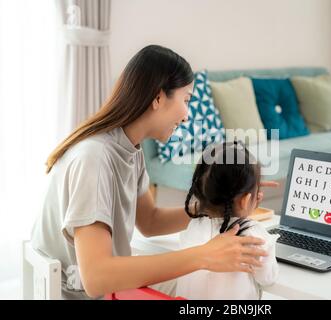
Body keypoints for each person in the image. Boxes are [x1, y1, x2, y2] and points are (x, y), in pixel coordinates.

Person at [30, 45, 277, 299]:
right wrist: (204, 256)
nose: (186, 116)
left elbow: (150, 221)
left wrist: (223, 202)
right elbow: (96, 277)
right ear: (158, 98)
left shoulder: (129, 150)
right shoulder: (94, 159)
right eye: (186, 100)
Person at [176, 141, 279, 300]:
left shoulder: (194, 225)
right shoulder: (253, 233)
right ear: (246, 200)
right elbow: (268, 278)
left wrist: (247, 197)